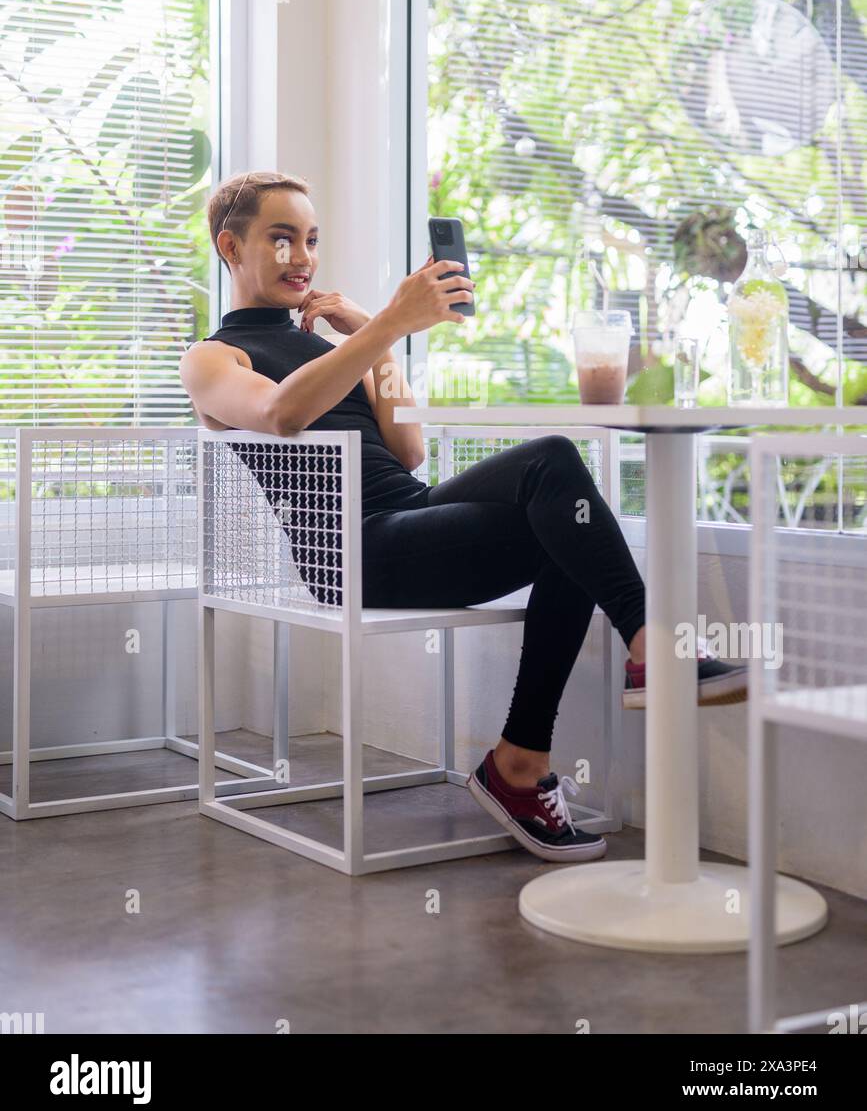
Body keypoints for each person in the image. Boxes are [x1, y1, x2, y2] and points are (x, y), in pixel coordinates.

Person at [181, 171, 746, 864]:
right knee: (555, 482)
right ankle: (645, 652)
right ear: (230, 246)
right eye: (281, 239)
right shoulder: (212, 358)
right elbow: (280, 414)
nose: (302, 257)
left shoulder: (338, 350)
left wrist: (368, 334)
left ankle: (521, 758)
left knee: (559, 497)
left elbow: (409, 450)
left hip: (407, 517)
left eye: (311, 240)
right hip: (349, 552)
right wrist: (388, 321)